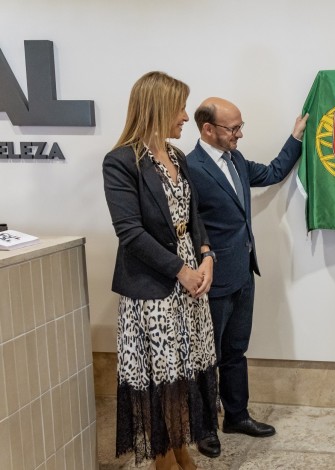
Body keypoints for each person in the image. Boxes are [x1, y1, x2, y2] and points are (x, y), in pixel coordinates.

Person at [102, 71, 218, 470]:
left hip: (190, 280)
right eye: (180, 107)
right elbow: (130, 233)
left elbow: (193, 214)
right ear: (158, 108)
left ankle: (182, 450)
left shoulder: (179, 157)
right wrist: (180, 271)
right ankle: (163, 460)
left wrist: (205, 256)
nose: (186, 116)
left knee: (186, 372)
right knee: (161, 378)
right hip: (153, 287)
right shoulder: (121, 162)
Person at [185, 97, 308, 458]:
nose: (239, 134)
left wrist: (296, 137)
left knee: (236, 350)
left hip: (244, 272)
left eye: (241, 127)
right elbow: (190, 225)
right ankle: (205, 427)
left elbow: (271, 173)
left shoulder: (236, 159)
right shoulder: (189, 167)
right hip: (211, 279)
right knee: (208, 356)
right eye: (232, 128)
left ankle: (236, 416)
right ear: (208, 129)